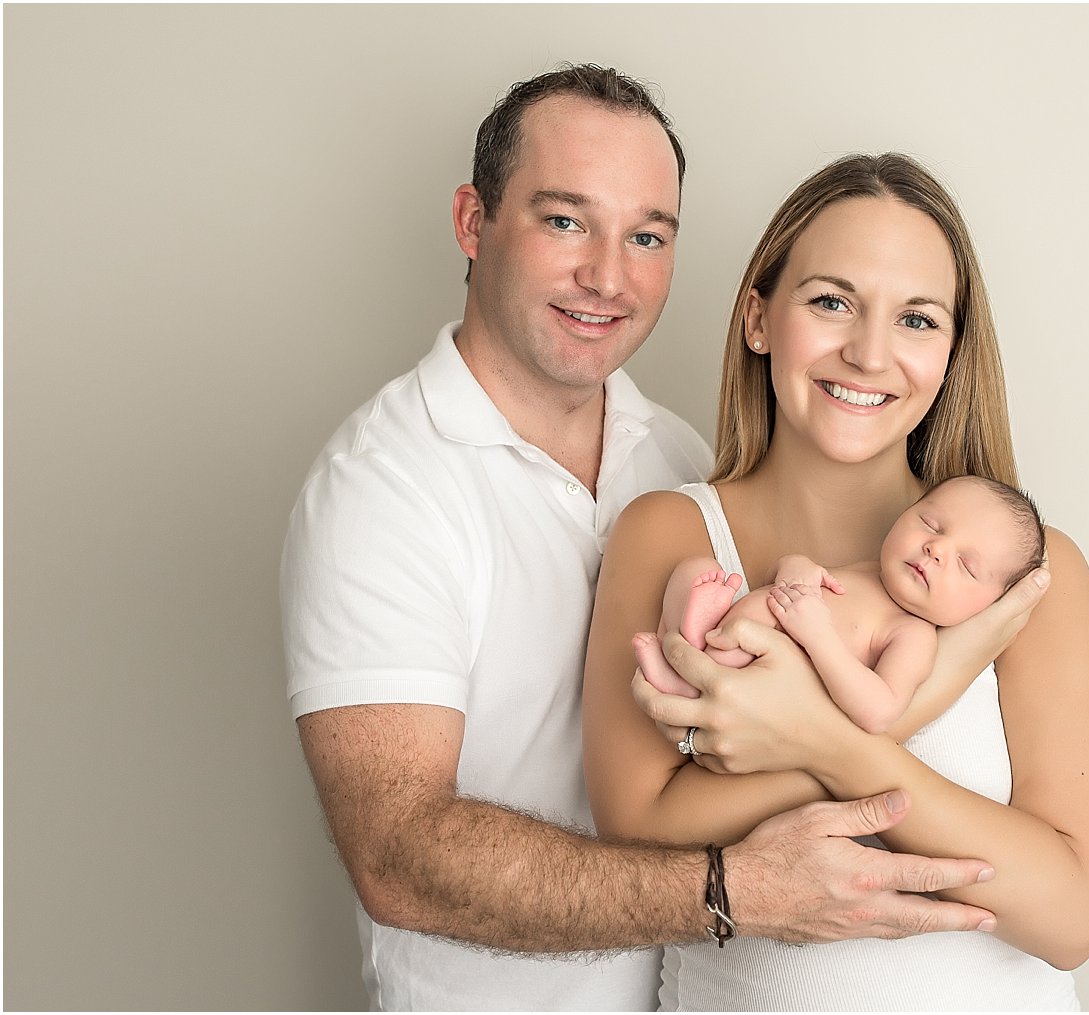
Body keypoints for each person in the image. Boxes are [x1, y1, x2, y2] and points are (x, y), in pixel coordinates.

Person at [282, 66, 1043, 1012]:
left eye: (646, 235)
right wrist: (734, 891)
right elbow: (397, 855)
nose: (608, 274)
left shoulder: (677, 463)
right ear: (473, 223)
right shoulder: (384, 489)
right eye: (565, 220)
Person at [582, 153, 1089, 1010]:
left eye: (917, 318)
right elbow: (640, 827)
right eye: (832, 301)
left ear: (950, 352)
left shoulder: (1021, 578)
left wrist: (824, 744)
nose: (870, 354)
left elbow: (1070, 913)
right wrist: (926, 692)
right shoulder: (672, 533)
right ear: (758, 317)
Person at [641, 475, 1045, 736]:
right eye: (931, 524)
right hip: (732, 629)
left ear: (988, 607)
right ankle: (683, 643)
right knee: (696, 569)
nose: (935, 548)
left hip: (760, 685)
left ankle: (683, 679)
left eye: (966, 565)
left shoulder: (913, 635)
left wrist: (818, 637)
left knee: (719, 652)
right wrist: (795, 569)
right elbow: (782, 574)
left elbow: (880, 710)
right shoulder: (869, 571)